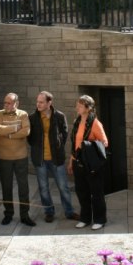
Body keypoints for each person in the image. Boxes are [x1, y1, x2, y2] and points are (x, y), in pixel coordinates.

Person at [28, 91, 79, 223]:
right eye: (37, 101)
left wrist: (58, 144)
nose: (38, 104)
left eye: (41, 102)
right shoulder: (32, 117)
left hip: (57, 158)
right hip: (40, 159)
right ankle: (49, 212)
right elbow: (30, 138)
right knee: (44, 188)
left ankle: (69, 212)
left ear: (49, 103)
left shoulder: (59, 116)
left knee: (63, 187)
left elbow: (65, 132)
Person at [67, 95, 109, 230]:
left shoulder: (95, 123)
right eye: (77, 105)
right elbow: (75, 144)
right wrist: (70, 161)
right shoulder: (77, 121)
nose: (77, 107)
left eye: (80, 105)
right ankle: (85, 218)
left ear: (88, 108)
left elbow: (104, 142)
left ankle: (100, 219)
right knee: (81, 192)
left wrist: (89, 145)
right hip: (78, 161)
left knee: (96, 192)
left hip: (91, 163)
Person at [0, 93, 34, 226]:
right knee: (6, 187)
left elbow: (26, 131)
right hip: (4, 157)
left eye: (9, 103)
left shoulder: (23, 114)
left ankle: (24, 214)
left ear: (16, 103)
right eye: (5, 102)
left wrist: (9, 134)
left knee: (23, 187)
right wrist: (16, 128)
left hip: (20, 156)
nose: (5, 105)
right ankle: (8, 214)